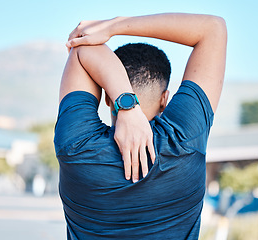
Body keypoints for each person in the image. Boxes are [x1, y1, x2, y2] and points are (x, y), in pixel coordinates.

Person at [54, 13, 227, 240]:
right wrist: (113, 25)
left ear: (107, 97)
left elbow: (81, 47)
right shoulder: (184, 139)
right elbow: (213, 28)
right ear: (165, 99)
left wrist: (126, 105)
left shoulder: (76, 145)